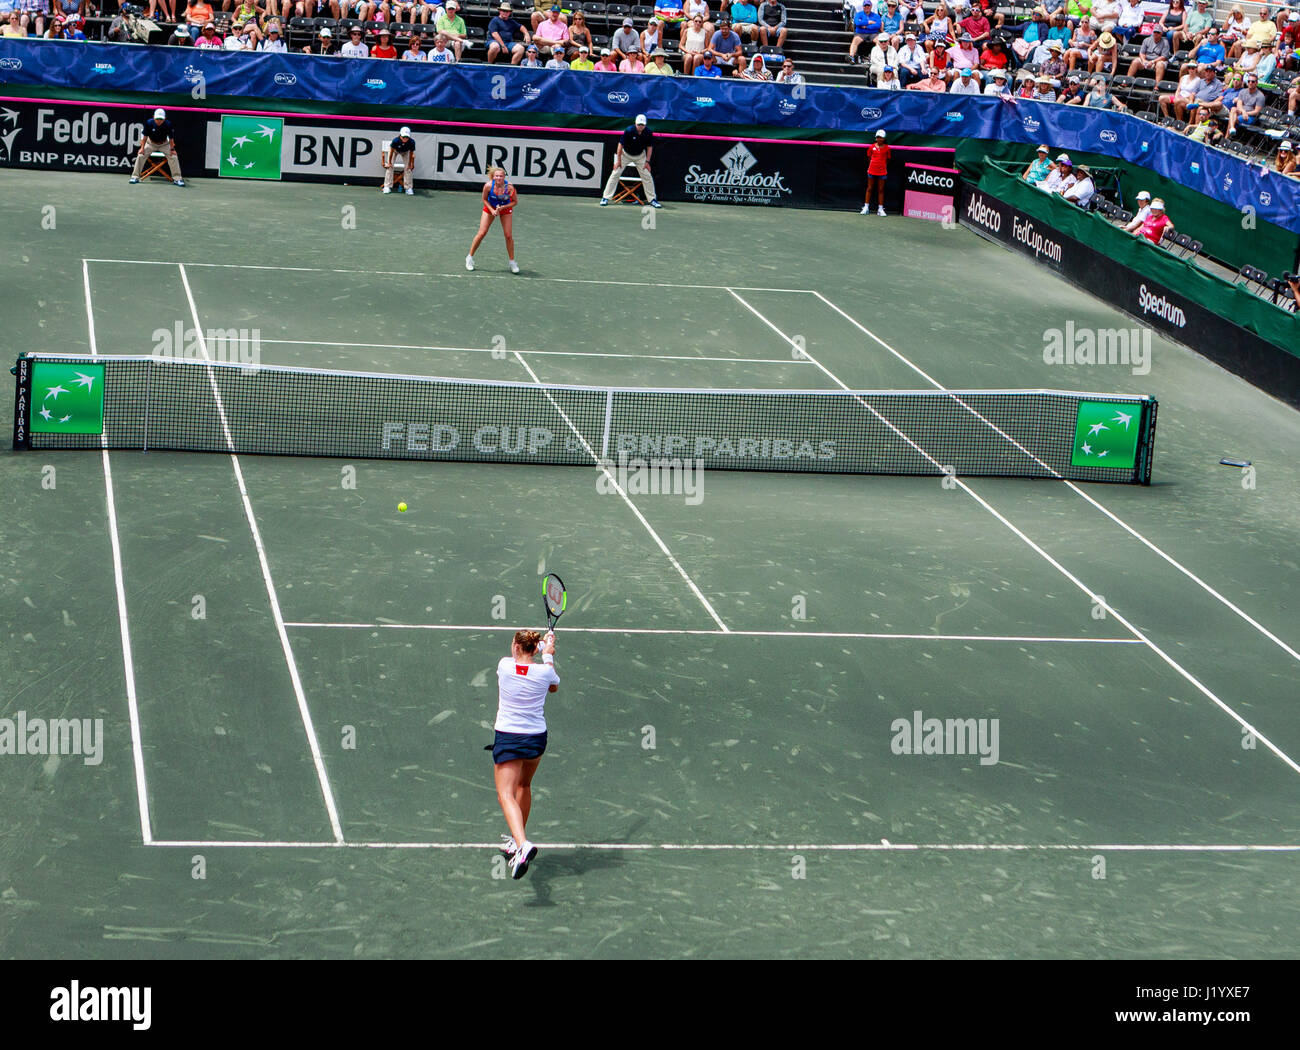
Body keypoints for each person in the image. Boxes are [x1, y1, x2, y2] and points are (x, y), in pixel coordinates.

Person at [488, 629, 558, 880]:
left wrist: (542, 647)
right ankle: (518, 843)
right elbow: (553, 688)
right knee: (524, 785)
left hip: (509, 738)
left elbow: (524, 663)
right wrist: (548, 652)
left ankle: (523, 845)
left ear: (517, 647)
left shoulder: (504, 666)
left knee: (505, 794)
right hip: (536, 739)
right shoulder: (546, 671)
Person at [600, 113, 661, 207]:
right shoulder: (629, 131)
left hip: (640, 156)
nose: (640, 126)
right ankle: (605, 198)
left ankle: (652, 199)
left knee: (647, 176)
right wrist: (619, 161)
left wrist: (647, 161)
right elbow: (620, 146)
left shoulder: (648, 133)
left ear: (645, 125)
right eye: (639, 124)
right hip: (625, 155)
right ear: (635, 123)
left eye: (642, 125)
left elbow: (649, 147)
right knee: (615, 173)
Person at [467, 167, 520, 273]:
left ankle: (512, 262)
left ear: (504, 177)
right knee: (482, 233)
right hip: (489, 208)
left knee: (508, 236)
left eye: (501, 176)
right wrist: (492, 210)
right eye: (496, 176)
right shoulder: (488, 186)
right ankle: (469, 258)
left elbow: (515, 202)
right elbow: (484, 199)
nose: (499, 178)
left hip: (505, 209)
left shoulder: (509, 188)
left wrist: (502, 208)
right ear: (493, 176)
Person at [129, 108, 185, 186]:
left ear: (164, 118)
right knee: (141, 155)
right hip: (150, 143)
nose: (159, 121)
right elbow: (144, 137)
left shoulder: (168, 124)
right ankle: (135, 177)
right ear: (153, 117)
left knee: (174, 156)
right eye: (157, 119)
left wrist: (172, 149)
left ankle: (177, 179)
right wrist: (142, 148)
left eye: (161, 119)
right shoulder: (149, 123)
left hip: (164, 144)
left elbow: (171, 139)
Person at [861, 129, 890, 215]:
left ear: (884, 139)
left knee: (881, 190)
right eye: (877, 137)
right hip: (871, 170)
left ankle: (880, 209)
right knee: (869, 188)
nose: (879, 139)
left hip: (882, 172)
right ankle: (866, 207)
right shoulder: (871, 147)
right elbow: (869, 157)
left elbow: (888, 159)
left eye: (881, 137)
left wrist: (881, 165)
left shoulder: (887, 148)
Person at [382, 126, 416, 195]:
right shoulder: (395, 141)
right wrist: (389, 163)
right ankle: (387, 186)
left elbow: (411, 153)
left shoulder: (412, 142)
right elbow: (391, 151)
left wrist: (410, 164)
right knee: (390, 167)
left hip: (406, 152)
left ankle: (408, 188)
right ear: (400, 135)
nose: (405, 139)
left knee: (408, 168)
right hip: (394, 151)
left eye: (407, 137)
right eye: (403, 137)